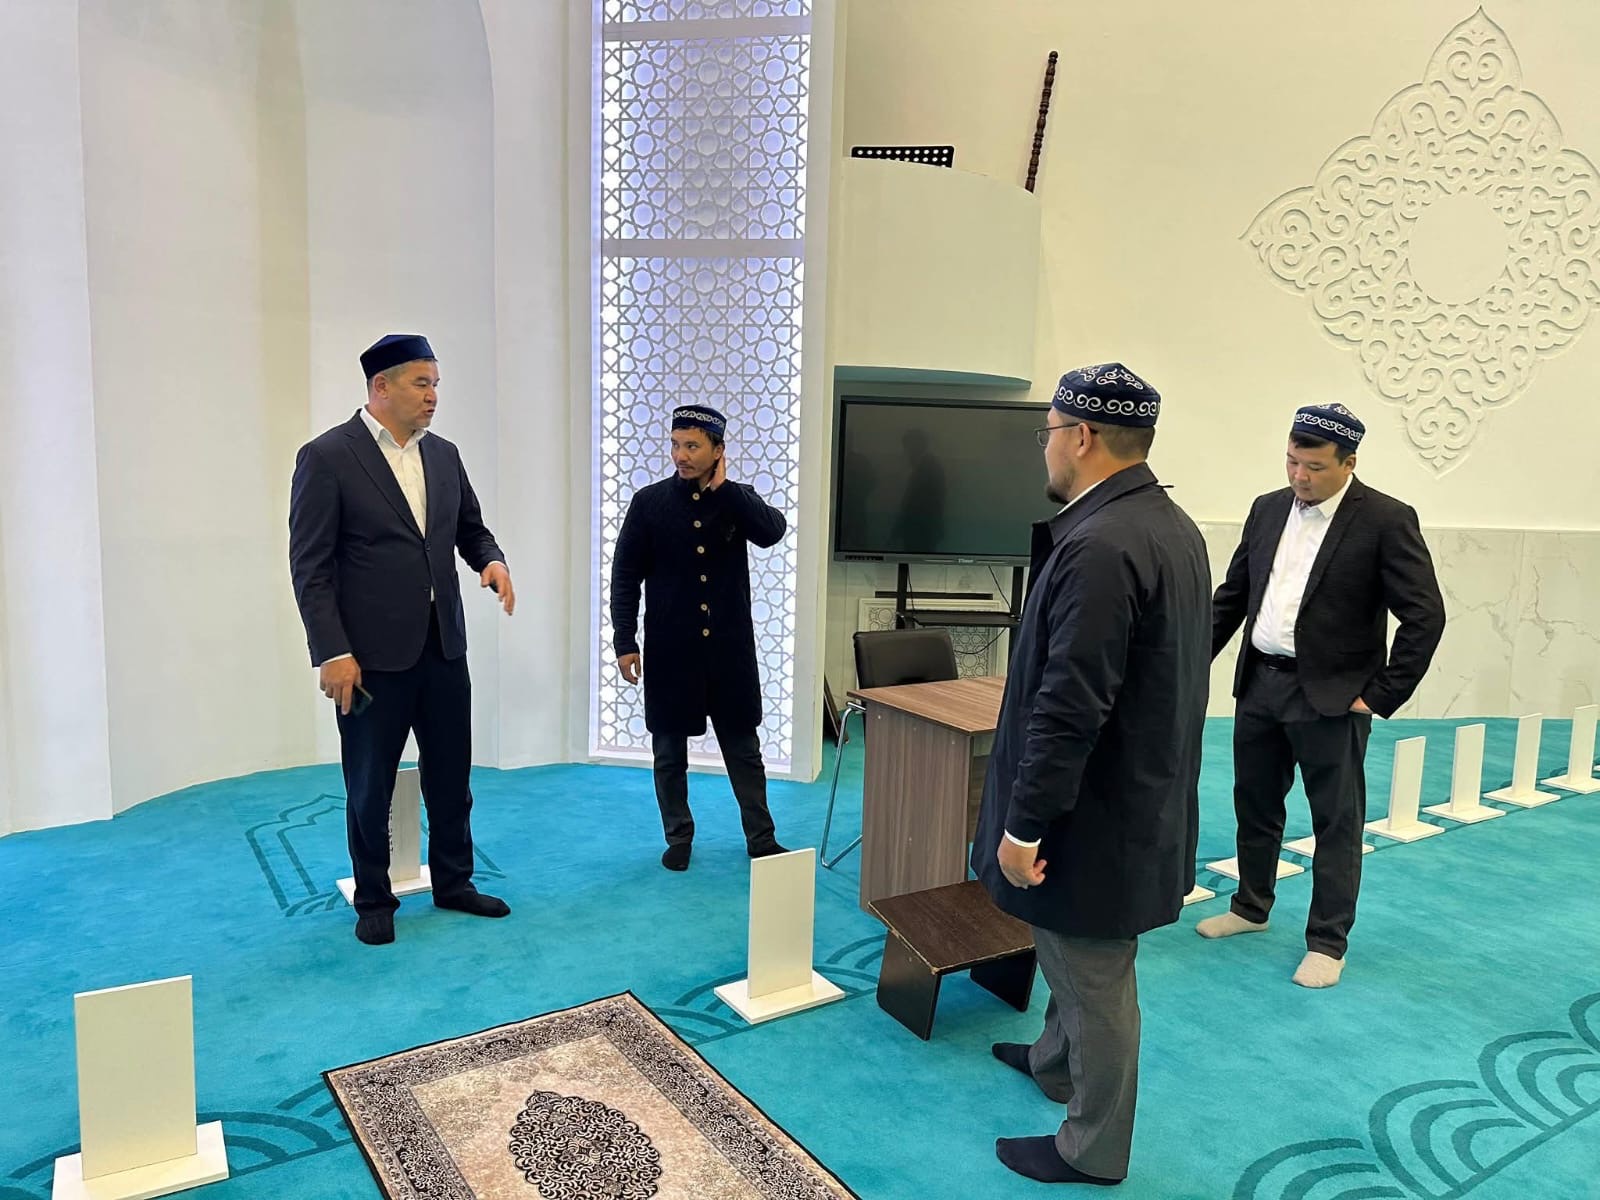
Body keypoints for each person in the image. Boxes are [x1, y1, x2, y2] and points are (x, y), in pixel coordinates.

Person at [971, 363, 1211, 1186]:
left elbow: (1071, 705)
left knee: (1094, 975)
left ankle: (1092, 1147)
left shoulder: (1103, 545)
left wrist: (1023, 825)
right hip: (1134, 797)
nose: (1043, 448)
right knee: (1069, 953)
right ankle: (1053, 1062)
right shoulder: (1164, 523)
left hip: (1094, 814)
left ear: (1081, 436)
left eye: (1047, 432)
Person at [1200, 403, 1444, 986]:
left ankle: (1328, 942)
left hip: (1334, 699)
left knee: (1336, 821)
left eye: (1313, 466)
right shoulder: (1265, 509)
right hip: (1260, 684)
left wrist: (1380, 694)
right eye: (1291, 461)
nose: (1299, 476)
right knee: (1255, 803)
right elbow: (1232, 597)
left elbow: (1425, 615)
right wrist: (1184, 665)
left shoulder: (1386, 519)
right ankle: (1250, 907)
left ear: (1349, 463)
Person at [289, 334, 514, 946]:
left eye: (436, 383)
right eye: (421, 383)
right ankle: (373, 898)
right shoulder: (327, 456)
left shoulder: (444, 455)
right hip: (368, 660)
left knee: (451, 777)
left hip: (443, 647)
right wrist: (332, 651)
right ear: (381, 386)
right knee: (370, 784)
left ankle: (455, 882)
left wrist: (491, 561)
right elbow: (311, 567)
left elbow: (471, 529)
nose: (433, 395)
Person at [610, 405, 789, 870]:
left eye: (692, 446)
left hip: (729, 652)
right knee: (669, 753)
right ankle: (678, 838)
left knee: (744, 750)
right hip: (671, 650)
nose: (681, 455)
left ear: (718, 450)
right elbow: (625, 575)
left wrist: (726, 491)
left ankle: (762, 838)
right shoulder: (649, 503)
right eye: (675, 444)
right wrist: (625, 640)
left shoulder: (737, 499)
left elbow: (772, 531)